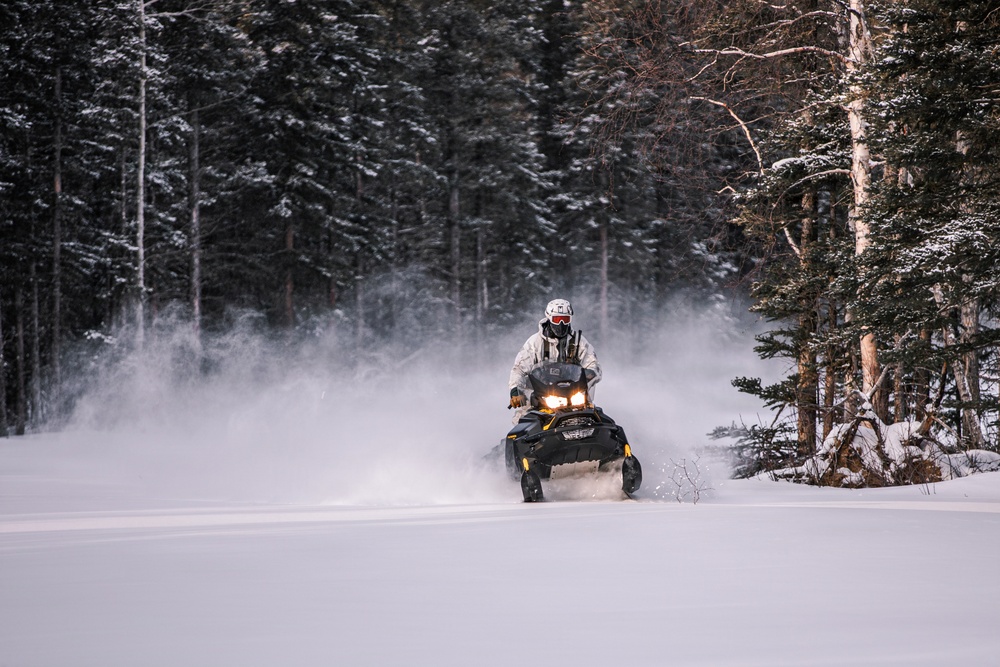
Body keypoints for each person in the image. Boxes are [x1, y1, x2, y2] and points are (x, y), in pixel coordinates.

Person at [508, 299, 602, 414]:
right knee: (523, 420)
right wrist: (515, 391)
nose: (561, 324)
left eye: (565, 319)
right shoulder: (534, 343)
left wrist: (589, 374)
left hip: (574, 397)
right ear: (549, 318)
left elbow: (593, 364)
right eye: (557, 319)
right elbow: (519, 369)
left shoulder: (578, 341)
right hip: (540, 399)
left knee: (598, 416)